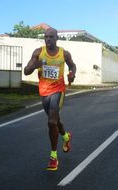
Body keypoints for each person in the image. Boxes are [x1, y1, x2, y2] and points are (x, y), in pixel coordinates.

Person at [24, 27, 76, 171]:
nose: (48, 39)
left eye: (51, 37)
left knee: (51, 122)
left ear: (57, 38)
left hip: (58, 90)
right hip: (44, 92)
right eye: (46, 37)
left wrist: (72, 74)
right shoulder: (38, 52)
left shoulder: (64, 53)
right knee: (55, 121)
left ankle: (53, 157)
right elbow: (26, 71)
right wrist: (34, 66)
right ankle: (66, 136)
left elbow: (72, 65)